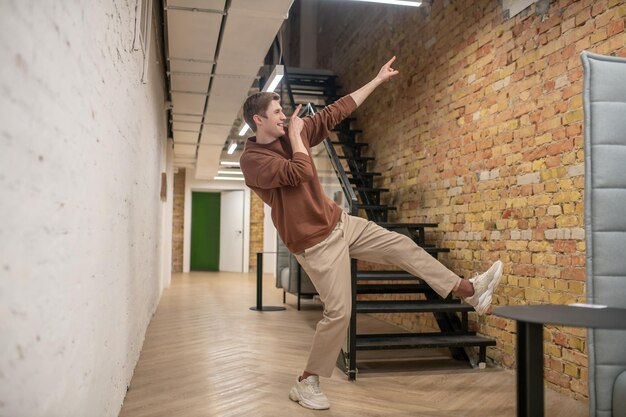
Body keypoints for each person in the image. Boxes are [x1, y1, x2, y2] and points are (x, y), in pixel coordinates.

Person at [239, 57, 503, 410]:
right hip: (314, 244)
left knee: (402, 246)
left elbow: (337, 111)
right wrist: (298, 135)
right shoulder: (252, 160)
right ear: (259, 120)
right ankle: (306, 381)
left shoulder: (291, 133)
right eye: (276, 112)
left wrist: (376, 80)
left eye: (283, 111)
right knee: (339, 313)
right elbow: (298, 172)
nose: (284, 115)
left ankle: (469, 290)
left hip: (340, 223)